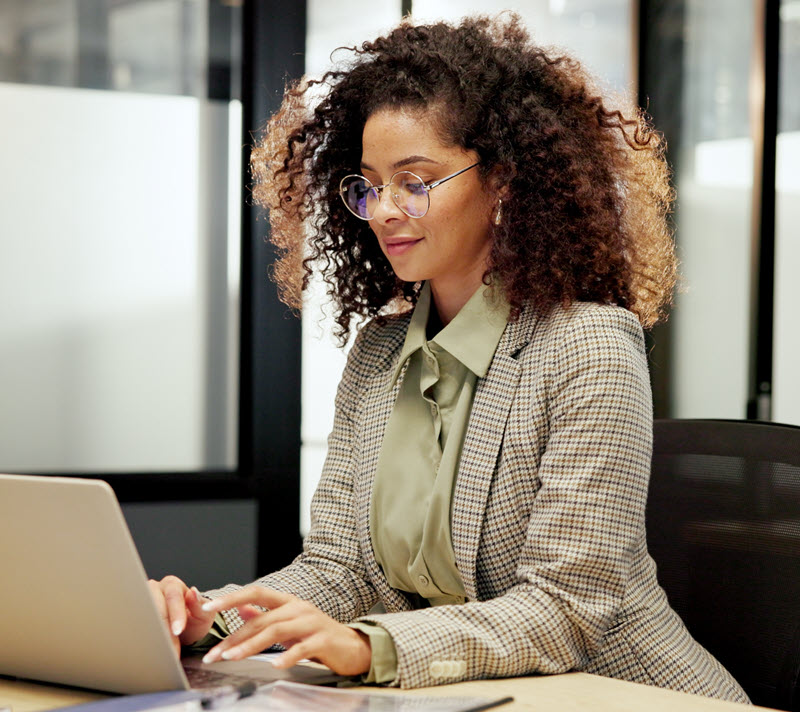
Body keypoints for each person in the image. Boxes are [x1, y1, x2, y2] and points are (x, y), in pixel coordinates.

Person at [150, 13, 749, 701]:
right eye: (369, 184)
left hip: (625, 694)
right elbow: (339, 570)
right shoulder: (379, 354)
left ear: (502, 183)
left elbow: (566, 610)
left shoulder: (588, 346)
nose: (382, 211)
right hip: (464, 695)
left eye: (415, 181)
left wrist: (370, 646)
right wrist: (208, 615)